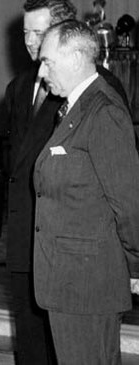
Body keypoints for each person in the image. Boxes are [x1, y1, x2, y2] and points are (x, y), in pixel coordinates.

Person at [4, 1, 129, 363]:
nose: (30, 43)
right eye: (25, 32)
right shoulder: (25, 89)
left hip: (77, 265)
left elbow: (122, 189)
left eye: (39, 35)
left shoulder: (100, 99)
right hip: (37, 248)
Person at [33, 20, 139, 364]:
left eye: (48, 60)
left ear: (77, 57)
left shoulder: (103, 111)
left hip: (87, 285)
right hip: (68, 279)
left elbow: (129, 203)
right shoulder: (76, 108)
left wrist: (135, 268)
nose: (41, 68)